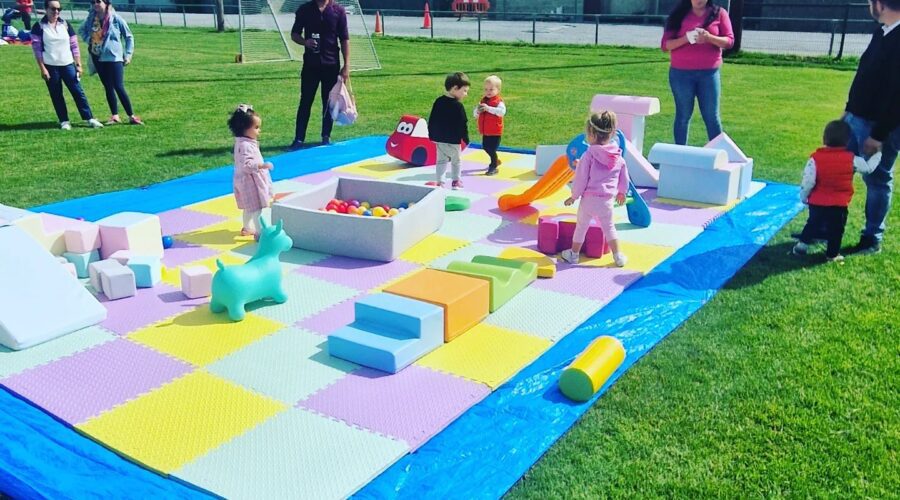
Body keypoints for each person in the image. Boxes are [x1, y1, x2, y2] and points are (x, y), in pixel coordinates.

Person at [841, 0, 900, 255]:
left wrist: (878, 136)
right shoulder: (883, 32)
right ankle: (823, 227)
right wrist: (848, 109)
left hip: (880, 127)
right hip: (856, 118)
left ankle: (871, 238)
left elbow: (897, 96)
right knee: (837, 169)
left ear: (880, 4)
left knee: (877, 179)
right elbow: (864, 75)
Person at [794, 121, 880, 262]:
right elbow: (867, 168)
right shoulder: (851, 159)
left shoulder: (815, 158)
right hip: (838, 205)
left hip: (817, 203)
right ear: (847, 141)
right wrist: (878, 155)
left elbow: (808, 181)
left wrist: (804, 196)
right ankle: (832, 254)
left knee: (812, 224)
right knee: (836, 231)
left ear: (824, 139)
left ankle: (801, 246)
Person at [561, 111, 629, 267]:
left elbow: (581, 178)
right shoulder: (617, 156)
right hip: (606, 201)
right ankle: (618, 256)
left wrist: (574, 195)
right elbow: (624, 175)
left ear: (591, 134)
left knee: (581, 226)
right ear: (611, 133)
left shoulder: (588, 155)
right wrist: (622, 192)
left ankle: (574, 254)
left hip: (589, 200)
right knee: (609, 227)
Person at [660, 0, 733, 145]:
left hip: (709, 73)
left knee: (712, 116)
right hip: (681, 74)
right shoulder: (678, 15)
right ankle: (681, 153)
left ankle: (719, 153)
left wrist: (709, 38)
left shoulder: (719, 13)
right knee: (683, 115)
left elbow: (729, 41)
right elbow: (666, 45)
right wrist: (687, 38)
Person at [31, 0, 103, 130]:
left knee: (78, 91)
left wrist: (78, 64)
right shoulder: (39, 27)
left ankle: (89, 118)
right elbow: (37, 50)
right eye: (53, 9)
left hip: (68, 64)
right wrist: (43, 69)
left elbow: (74, 45)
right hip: (51, 66)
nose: (56, 12)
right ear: (46, 9)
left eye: (59, 9)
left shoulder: (65, 24)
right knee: (56, 94)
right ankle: (64, 120)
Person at [288, 0, 350, 151]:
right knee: (305, 101)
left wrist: (346, 65)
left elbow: (344, 39)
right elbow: (294, 34)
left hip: (331, 64)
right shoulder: (305, 10)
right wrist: (305, 42)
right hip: (311, 65)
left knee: (328, 102)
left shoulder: (338, 11)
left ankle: (325, 137)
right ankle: (299, 139)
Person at [79, 0, 142, 125]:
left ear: (106, 3)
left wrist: (128, 55)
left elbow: (129, 36)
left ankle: (131, 116)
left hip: (114, 58)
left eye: (98, 1)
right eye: (93, 2)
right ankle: (115, 116)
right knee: (108, 87)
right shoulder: (91, 19)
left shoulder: (116, 19)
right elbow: (82, 31)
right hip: (98, 57)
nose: (95, 4)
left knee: (118, 86)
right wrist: (90, 40)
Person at [228, 104, 274, 238]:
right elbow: (246, 165)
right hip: (250, 182)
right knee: (257, 209)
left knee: (250, 207)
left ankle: (247, 228)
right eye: (256, 128)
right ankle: (260, 233)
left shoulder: (243, 142)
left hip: (246, 180)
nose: (259, 131)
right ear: (244, 129)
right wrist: (261, 165)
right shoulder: (245, 145)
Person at [428, 72, 470, 190]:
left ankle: (440, 182)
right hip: (453, 141)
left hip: (439, 140)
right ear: (455, 88)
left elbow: (432, 119)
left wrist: (431, 135)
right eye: (464, 90)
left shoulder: (438, 101)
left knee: (441, 161)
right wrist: (465, 138)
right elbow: (463, 123)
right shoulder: (458, 106)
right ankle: (456, 181)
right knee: (456, 161)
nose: (466, 94)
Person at [473, 74, 506, 176]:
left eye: (491, 89)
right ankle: (495, 160)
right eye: (486, 89)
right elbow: (475, 114)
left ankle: (493, 166)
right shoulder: (482, 101)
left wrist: (488, 108)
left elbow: (501, 112)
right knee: (485, 147)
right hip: (485, 130)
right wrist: (478, 111)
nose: (488, 92)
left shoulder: (498, 102)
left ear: (498, 90)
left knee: (491, 148)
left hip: (495, 131)